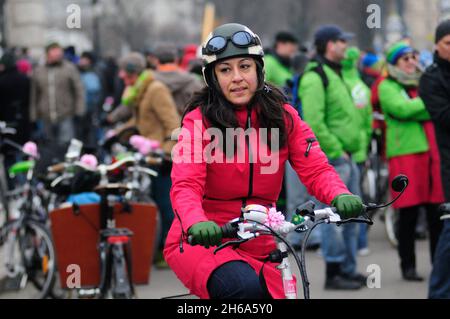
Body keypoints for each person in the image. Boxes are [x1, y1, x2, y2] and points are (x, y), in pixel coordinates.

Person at [163, 23, 364, 299]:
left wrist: (339, 194)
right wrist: (196, 221)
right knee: (242, 289)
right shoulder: (198, 122)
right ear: (212, 78)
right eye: (225, 70)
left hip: (262, 238)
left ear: (259, 70)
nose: (237, 77)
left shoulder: (284, 116)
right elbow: (186, 183)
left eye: (245, 66)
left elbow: (316, 168)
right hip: (205, 238)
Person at [298, 25, 365, 290]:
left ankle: (348, 269)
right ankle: (334, 273)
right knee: (332, 220)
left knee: (352, 218)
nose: (345, 46)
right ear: (328, 44)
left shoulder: (336, 73)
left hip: (348, 157)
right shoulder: (315, 77)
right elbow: (313, 122)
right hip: (334, 159)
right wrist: (337, 150)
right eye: (341, 41)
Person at [379, 41, 444, 281]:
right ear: (395, 63)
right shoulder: (387, 85)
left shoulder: (424, 82)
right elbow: (401, 109)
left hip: (431, 154)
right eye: (405, 59)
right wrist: (430, 103)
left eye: (413, 57)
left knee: (435, 214)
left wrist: (424, 105)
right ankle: (408, 266)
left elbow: (423, 108)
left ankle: (439, 266)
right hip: (405, 154)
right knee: (407, 215)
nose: (411, 62)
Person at [114, 52, 181, 267]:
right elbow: (140, 120)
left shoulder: (156, 90)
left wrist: (166, 151)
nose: (124, 81)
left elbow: (172, 123)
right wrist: (118, 132)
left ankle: (172, 252)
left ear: (135, 73)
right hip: (147, 155)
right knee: (155, 203)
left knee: (165, 205)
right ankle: (160, 249)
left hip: (160, 157)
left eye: (126, 76)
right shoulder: (140, 91)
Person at [419, 19, 450, 298]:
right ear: (437, 45)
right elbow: (444, 116)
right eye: (448, 43)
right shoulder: (430, 78)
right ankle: (439, 291)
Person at [342, 47, 373, 256]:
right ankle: (361, 243)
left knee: (338, 203)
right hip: (358, 149)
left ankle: (343, 250)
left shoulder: (339, 84)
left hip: (342, 151)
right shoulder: (361, 87)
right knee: (357, 200)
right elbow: (367, 122)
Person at [30, 42, 85, 144]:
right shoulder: (39, 71)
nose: (57, 56)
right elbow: (34, 94)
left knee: (64, 145)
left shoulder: (69, 68)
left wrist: (79, 111)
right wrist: (33, 115)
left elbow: (79, 90)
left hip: (66, 114)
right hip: (45, 117)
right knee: (49, 146)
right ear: (48, 54)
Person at [152, 43, 204, 116]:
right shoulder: (193, 81)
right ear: (176, 60)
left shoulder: (147, 82)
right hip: (186, 125)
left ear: (156, 61)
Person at [78, 51, 103, 146]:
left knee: (91, 135)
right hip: (82, 110)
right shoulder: (78, 73)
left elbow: (100, 92)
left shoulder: (96, 73)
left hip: (92, 109)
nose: (82, 61)